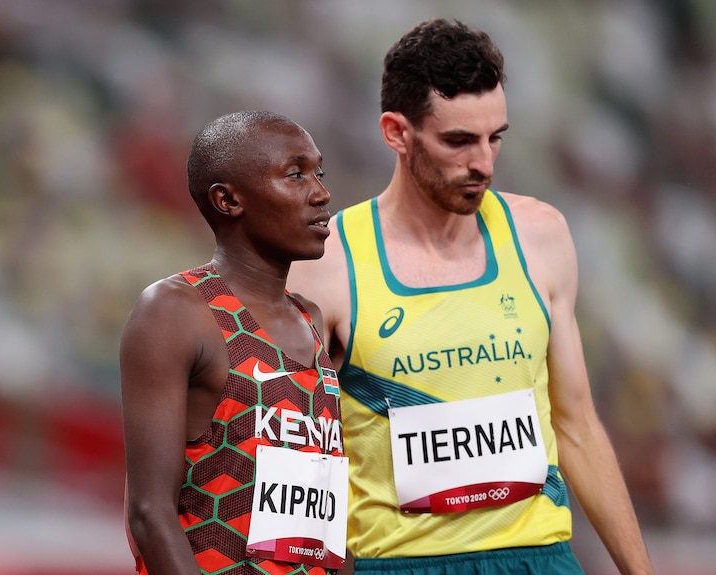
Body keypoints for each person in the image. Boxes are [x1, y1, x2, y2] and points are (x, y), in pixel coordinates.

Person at [287, 18, 654, 575]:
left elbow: (576, 424)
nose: (483, 163)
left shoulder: (541, 236)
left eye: (495, 137)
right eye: (458, 141)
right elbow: (296, 457)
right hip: (403, 564)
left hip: (540, 559)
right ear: (396, 132)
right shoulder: (325, 263)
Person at [120, 110, 349, 575]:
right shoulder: (175, 311)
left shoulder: (311, 318)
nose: (321, 193)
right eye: (294, 175)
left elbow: (326, 518)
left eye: (318, 173)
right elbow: (148, 512)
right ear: (228, 200)